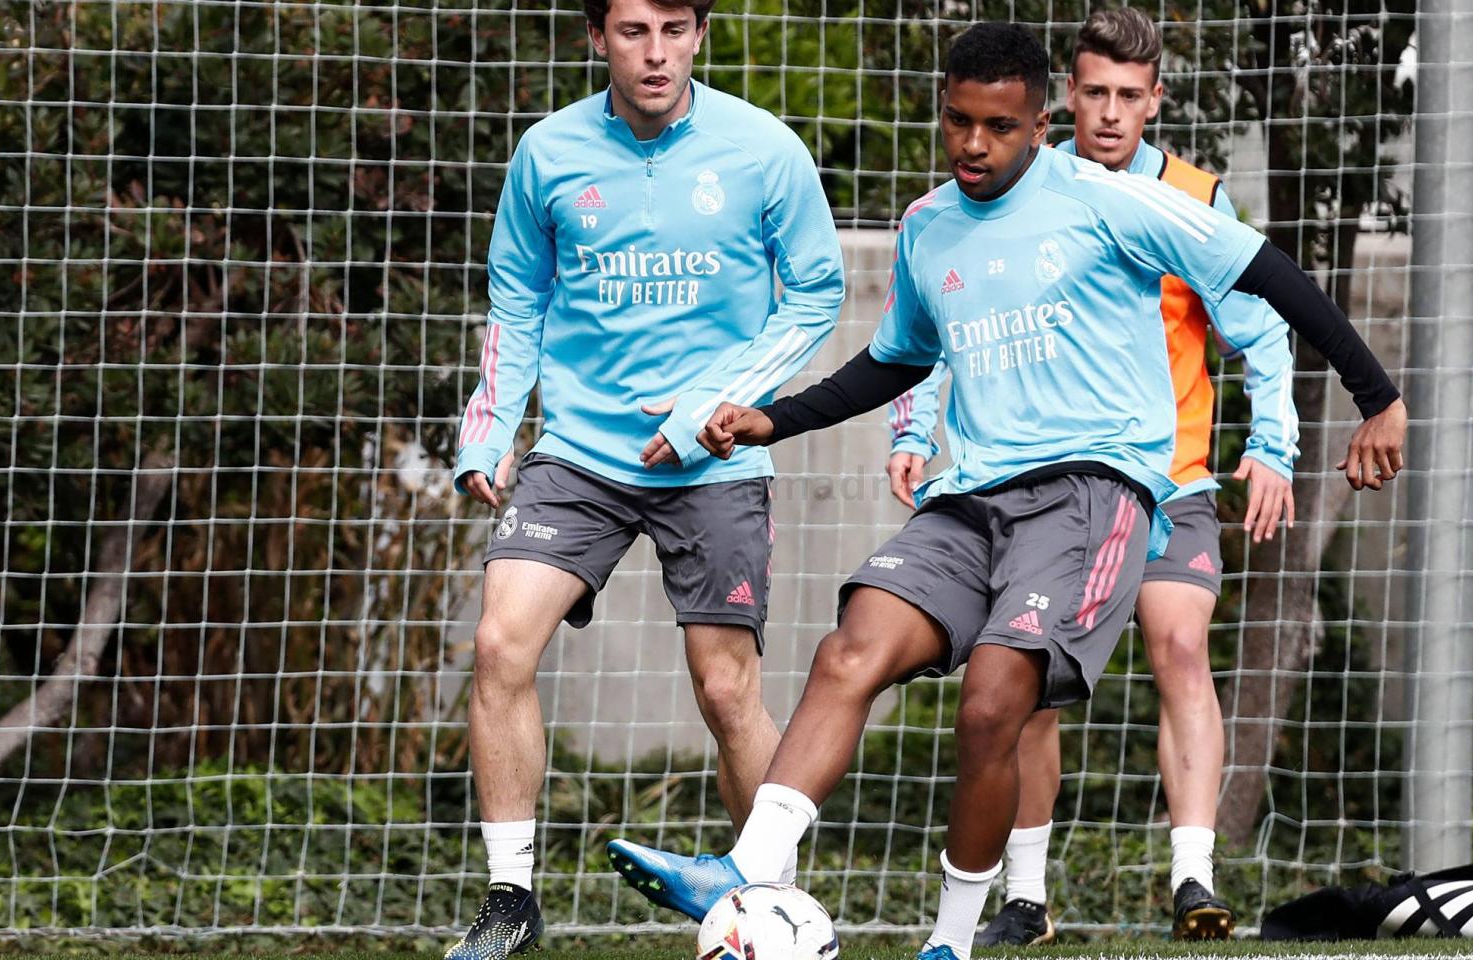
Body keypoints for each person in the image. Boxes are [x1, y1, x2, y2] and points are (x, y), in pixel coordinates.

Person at [607, 22, 1405, 960]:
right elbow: (895, 361)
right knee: (849, 649)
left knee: (993, 702)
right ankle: (747, 866)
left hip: (1092, 493)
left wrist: (1377, 397)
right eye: (958, 122)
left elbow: (1268, 273)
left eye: (999, 127)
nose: (975, 145)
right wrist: (770, 419)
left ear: (1040, 124)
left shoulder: (1111, 201)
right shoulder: (928, 225)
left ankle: (952, 941)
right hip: (971, 499)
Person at [882, 7, 1391, 943]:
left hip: (1172, 481)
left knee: (1180, 646)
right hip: (1042, 487)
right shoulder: (1015, 189)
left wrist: (1272, 446)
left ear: (1156, 100)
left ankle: (1193, 879)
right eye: (1094, 93)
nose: (1110, 113)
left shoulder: (1191, 198)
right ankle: (1026, 898)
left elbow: (1259, 327)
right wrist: (913, 427)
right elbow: (944, 323)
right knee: (1025, 679)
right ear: (1063, 101)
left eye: (1129, 95)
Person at [446, 0, 844, 952]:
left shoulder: (765, 149)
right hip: (580, 454)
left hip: (716, 457)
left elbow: (816, 293)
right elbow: (517, 300)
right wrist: (489, 429)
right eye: (633, 31)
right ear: (598, 37)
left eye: (674, 29)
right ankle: (510, 902)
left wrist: (715, 404)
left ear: (700, 33)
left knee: (726, 691)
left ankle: (772, 911)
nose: (655, 53)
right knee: (500, 645)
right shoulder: (547, 153)